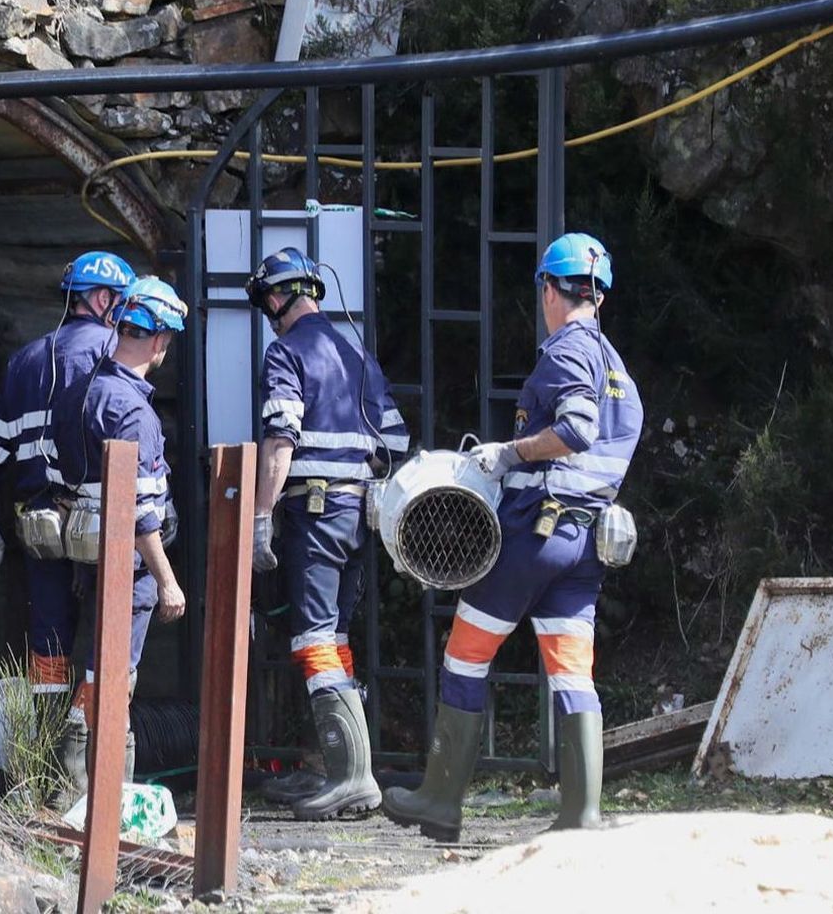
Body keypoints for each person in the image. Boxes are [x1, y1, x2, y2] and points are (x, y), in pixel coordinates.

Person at [383, 232, 642, 840]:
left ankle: (440, 801)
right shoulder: (618, 371)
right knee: (574, 674)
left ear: (550, 289)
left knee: (466, 654)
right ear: (598, 294)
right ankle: (580, 818)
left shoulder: (565, 353)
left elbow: (575, 428)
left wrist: (508, 452)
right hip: (582, 543)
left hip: (533, 534)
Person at [245, 247, 409, 820]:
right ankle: (341, 768)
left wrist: (262, 516)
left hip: (313, 515)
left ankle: (351, 778)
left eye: (266, 298)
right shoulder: (357, 352)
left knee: (311, 637)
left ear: (278, 296)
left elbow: (280, 440)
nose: (267, 309)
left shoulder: (285, 352)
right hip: (361, 516)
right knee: (334, 636)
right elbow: (397, 440)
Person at [43, 276, 191, 803]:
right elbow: (142, 516)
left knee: (94, 667)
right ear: (160, 343)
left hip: (88, 562)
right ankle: (100, 797)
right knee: (116, 677)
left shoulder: (77, 394)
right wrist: (168, 582)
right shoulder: (133, 413)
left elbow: (60, 488)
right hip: (128, 571)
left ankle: (77, 791)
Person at [0, 251, 135, 699]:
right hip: (101, 524)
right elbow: (135, 435)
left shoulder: (24, 362)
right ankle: (94, 744)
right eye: (123, 304)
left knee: (50, 645)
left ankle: (46, 750)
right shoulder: (114, 354)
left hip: (40, 524)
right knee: (111, 635)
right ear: (102, 299)